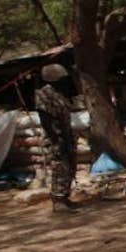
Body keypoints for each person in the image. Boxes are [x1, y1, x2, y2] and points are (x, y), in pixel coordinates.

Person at [34, 64, 78, 213]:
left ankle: (65, 196)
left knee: (70, 165)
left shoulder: (59, 93)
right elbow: (45, 118)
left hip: (65, 134)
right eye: (62, 78)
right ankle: (58, 201)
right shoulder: (44, 94)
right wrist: (56, 139)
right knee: (60, 167)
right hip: (55, 136)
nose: (65, 81)